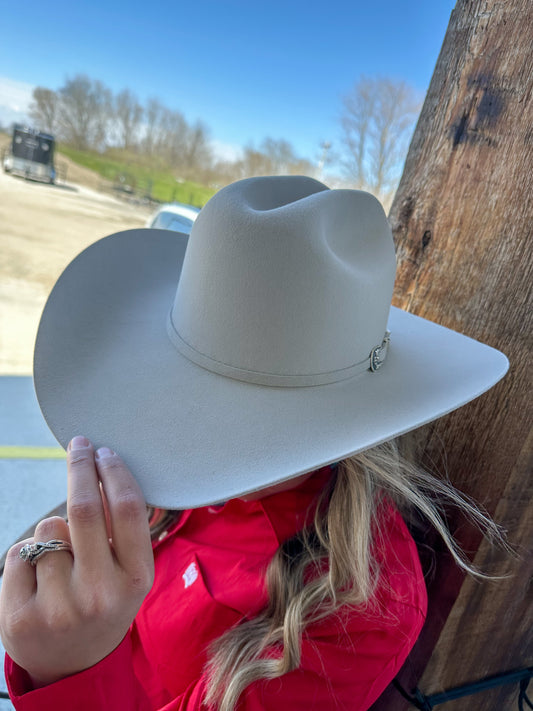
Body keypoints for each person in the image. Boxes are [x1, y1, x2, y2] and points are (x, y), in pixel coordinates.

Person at [0, 176, 508, 710]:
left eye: (233, 409)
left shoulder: (360, 608)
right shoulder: (167, 461)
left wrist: (73, 670)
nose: (181, 422)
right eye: (183, 381)